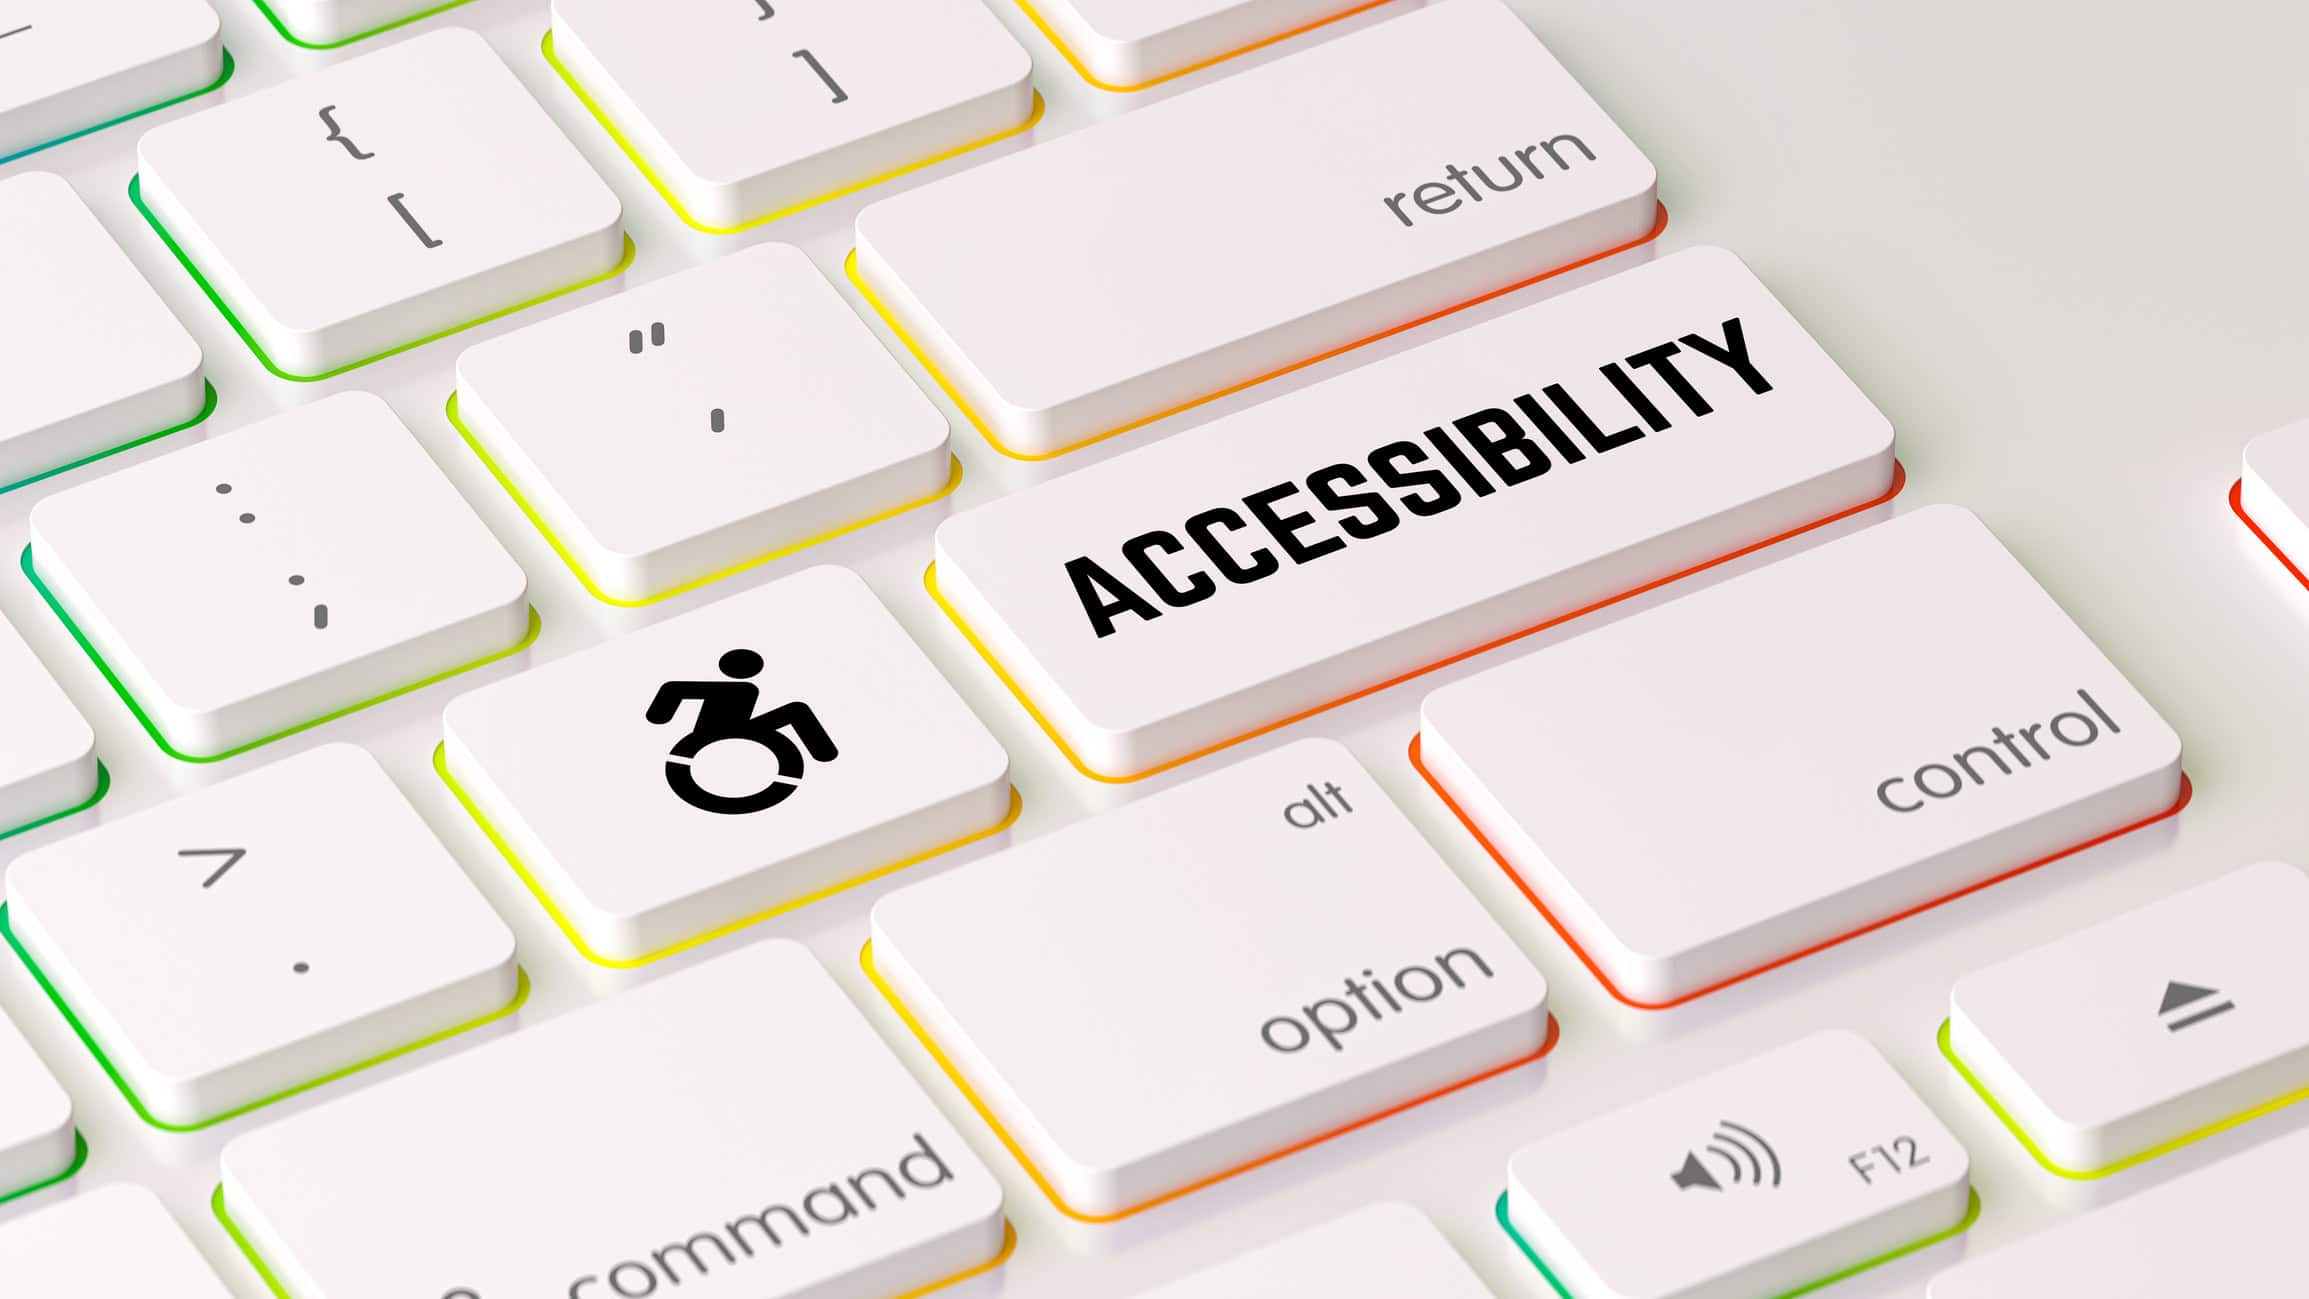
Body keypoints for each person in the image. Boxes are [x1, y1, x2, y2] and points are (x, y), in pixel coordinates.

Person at [646, 649, 837, 815]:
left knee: (795, 710)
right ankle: (821, 750)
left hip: (722, 736)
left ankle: (821, 750)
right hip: (712, 737)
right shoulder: (745, 690)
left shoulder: (743, 690)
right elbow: (668, 698)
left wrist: (661, 714)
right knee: (796, 710)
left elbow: (666, 701)